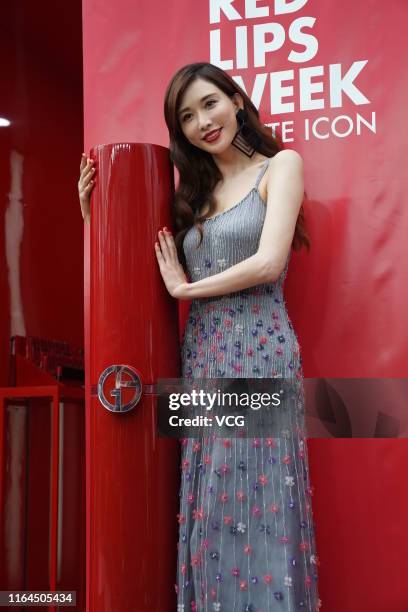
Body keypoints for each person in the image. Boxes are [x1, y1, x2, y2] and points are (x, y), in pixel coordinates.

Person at [78, 61, 321, 611]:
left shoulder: (282, 166)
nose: (202, 122)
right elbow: (134, 269)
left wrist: (188, 291)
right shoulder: (193, 196)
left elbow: (268, 262)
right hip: (205, 354)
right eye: (186, 117)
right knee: (211, 501)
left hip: (260, 350)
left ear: (237, 101)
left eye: (209, 104)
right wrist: (93, 213)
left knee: (263, 503)